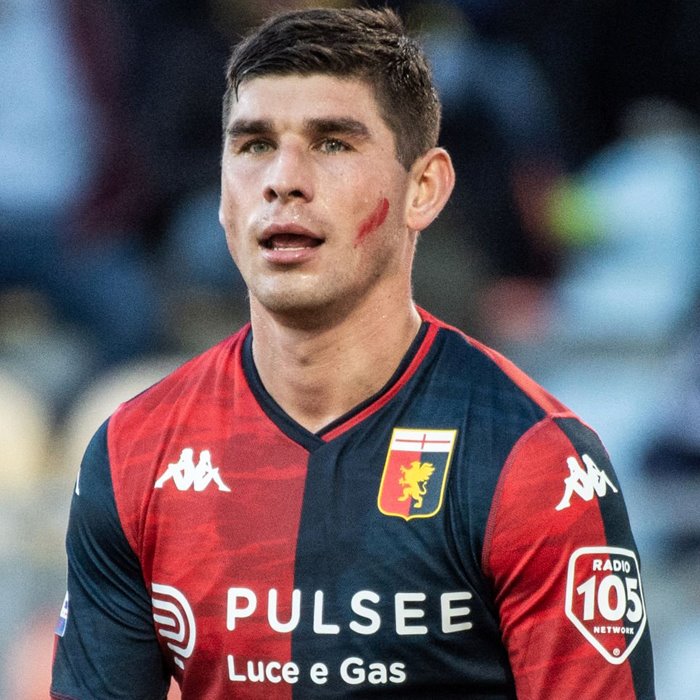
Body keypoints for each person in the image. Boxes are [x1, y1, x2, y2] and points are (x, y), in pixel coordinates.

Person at [50, 7, 655, 699]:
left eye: (332, 143)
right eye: (254, 145)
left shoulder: (533, 459)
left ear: (423, 188)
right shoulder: (135, 453)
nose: (283, 180)